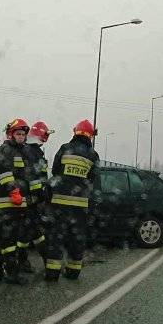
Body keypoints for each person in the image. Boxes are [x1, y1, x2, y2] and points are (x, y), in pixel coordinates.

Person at [44, 119, 99, 281]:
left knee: (56, 237)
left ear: (75, 132)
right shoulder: (93, 155)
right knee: (77, 238)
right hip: (80, 206)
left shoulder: (65, 148)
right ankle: (73, 272)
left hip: (59, 203)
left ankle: (52, 274)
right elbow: (93, 179)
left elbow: (55, 171)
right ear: (90, 135)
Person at [0, 119, 31, 284]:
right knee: (10, 239)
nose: (21, 137)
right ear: (11, 134)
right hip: (8, 201)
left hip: (9, 202)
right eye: (18, 134)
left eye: (23, 134)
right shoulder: (6, 150)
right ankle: (12, 273)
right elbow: (4, 172)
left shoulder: (20, 152)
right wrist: (14, 191)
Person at [20, 121, 54, 273]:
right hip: (31, 200)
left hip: (24, 199)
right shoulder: (35, 153)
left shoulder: (24, 150)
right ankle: (48, 264)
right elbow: (36, 179)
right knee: (33, 232)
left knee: (30, 232)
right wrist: (42, 195)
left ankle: (24, 262)